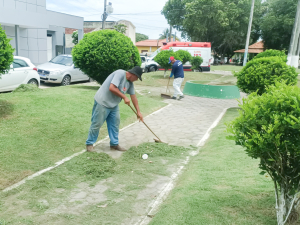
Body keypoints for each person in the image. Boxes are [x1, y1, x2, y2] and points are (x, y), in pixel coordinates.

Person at [86, 66, 144, 152]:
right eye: (137, 77)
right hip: (102, 102)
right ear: (133, 74)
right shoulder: (120, 73)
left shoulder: (130, 83)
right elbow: (112, 87)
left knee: (115, 124)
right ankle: (89, 144)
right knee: (97, 124)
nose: (137, 80)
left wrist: (138, 112)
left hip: (113, 105)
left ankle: (114, 144)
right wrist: (124, 97)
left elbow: (133, 97)